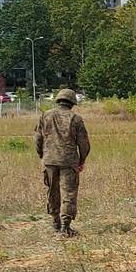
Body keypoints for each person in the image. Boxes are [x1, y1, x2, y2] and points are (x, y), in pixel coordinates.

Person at [35, 88, 90, 238]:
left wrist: (41, 154)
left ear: (58, 100)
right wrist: (82, 160)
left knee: (52, 191)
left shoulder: (45, 116)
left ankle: (55, 222)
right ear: (72, 102)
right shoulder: (76, 118)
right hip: (69, 160)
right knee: (69, 193)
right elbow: (84, 143)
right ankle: (66, 227)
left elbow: (38, 138)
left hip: (50, 160)